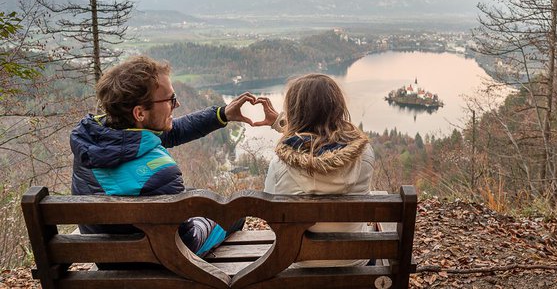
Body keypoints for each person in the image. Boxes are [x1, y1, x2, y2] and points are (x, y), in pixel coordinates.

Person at [70, 55, 269, 257]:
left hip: (108, 259)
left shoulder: (95, 142)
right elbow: (190, 244)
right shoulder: (160, 173)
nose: (178, 104)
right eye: (171, 100)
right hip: (152, 269)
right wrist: (216, 215)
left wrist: (222, 114)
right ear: (140, 113)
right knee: (232, 214)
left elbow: (170, 133)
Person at [261, 73, 375, 267]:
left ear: (293, 112)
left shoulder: (280, 165)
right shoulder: (364, 155)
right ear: (337, 107)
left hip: (297, 262)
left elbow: (269, 213)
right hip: (354, 261)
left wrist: (282, 124)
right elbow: (323, 144)